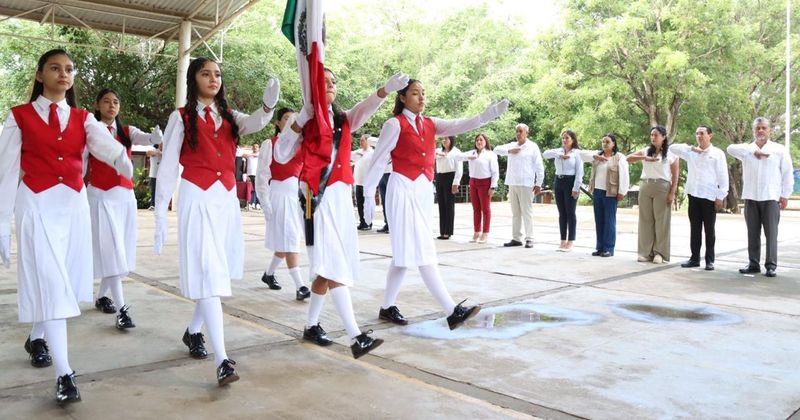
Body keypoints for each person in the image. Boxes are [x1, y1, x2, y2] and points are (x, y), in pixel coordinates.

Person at [0, 49, 133, 404]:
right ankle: (65, 374)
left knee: (61, 283)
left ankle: (37, 336)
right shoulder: (19, 116)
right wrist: (1, 220)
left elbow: (102, 143)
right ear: (40, 75)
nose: (64, 73)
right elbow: (5, 170)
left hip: (72, 206)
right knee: (52, 282)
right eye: (55, 68)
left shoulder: (83, 117)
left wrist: (119, 156)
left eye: (69, 69)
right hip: (37, 205)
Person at [153, 57, 280, 385]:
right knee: (209, 271)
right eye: (206, 73)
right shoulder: (180, 117)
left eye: (218, 74)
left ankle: (193, 330)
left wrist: (268, 105)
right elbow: (167, 166)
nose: (213, 79)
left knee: (217, 274)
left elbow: (254, 123)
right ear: (193, 78)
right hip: (197, 197)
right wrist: (159, 214)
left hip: (225, 200)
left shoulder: (229, 116)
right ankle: (223, 359)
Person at [274, 69, 409, 359]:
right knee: (333, 261)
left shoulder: (343, 119)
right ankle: (355, 336)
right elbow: (281, 154)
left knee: (328, 264)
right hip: (314, 196)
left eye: (333, 82)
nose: (331, 86)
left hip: (339, 195)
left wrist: (385, 89)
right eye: (324, 82)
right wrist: (301, 119)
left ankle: (311, 325)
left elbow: (365, 106)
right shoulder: (304, 121)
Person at [363, 79, 507, 327]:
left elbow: (460, 124)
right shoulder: (393, 124)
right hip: (402, 188)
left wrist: (487, 115)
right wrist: (367, 197)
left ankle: (387, 307)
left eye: (423, 93)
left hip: (421, 190)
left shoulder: (430, 123)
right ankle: (452, 310)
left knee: (404, 255)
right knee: (420, 251)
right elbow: (378, 160)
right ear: (402, 98)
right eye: (415, 93)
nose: (421, 98)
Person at [88, 88, 163, 329]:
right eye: (106, 101)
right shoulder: (90, 129)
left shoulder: (127, 131)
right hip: (100, 194)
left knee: (119, 249)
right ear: (97, 105)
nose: (112, 105)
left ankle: (101, 296)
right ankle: (122, 309)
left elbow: (148, 139)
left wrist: (155, 136)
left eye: (116, 102)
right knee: (112, 251)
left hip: (124, 197)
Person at [254, 107, 311, 300]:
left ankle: (268, 275)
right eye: (286, 118)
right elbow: (262, 176)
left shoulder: (301, 145)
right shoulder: (270, 144)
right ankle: (300, 285)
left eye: (293, 118)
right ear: (278, 123)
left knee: (284, 240)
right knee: (291, 240)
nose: (290, 121)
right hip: (277, 196)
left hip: (293, 197)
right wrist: (265, 203)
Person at [727, 117, 794, 277]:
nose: (761, 131)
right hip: (751, 196)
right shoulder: (746, 150)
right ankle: (753, 263)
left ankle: (771, 265)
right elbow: (730, 148)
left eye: (764, 128)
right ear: (753, 131)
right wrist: (753, 151)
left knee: (771, 233)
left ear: (770, 130)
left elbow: (787, 173)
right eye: (758, 128)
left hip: (771, 197)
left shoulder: (779, 150)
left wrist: (785, 195)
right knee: (752, 233)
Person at [671, 125, 728, 271]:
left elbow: (723, 176)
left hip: (709, 196)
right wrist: (691, 148)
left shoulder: (717, 153)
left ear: (710, 135)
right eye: (697, 133)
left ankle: (710, 260)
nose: (699, 136)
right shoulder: (691, 153)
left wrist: (720, 195)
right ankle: (694, 258)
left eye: (702, 133)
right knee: (694, 229)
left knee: (709, 230)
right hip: (694, 195)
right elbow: (672, 148)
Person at [627, 125, 679, 264]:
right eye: (651, 135)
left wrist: (672, 193)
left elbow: (675, 176)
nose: (653, 137)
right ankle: (645, 252)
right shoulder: (646, 151)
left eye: (656, 135)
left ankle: (660, 253)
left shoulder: (671, 154)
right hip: (645, 185)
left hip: (662, 186)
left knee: (661, 221)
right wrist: (645, 157)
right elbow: (628, 158)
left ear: (663, 137)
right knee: (645, 220)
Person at [494, 123, 544, 248]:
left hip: (526, 183)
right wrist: (510, 151)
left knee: (527, 212)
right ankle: (516, 238)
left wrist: (538, 183)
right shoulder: (512, 145)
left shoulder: (532, 147)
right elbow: (496, 149)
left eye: (521, 131)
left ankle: (530, 238)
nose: (518, 133)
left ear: (526, 133)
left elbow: (539, 166)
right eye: (517, 131)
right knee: (515, 213)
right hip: (512, 182)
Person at [581, 133, 629, 257]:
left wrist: (622, 191)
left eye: (607, 142)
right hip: (597, 191)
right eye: (603, 141)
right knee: (599, 220)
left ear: (613, 144)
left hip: (611, 193)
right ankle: (600, 247)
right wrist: (595, 156)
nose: (605, 144)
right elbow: (580, 155)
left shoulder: (619, 157)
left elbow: (624, 175)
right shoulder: (598, 155)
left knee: (609, 221)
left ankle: (609, 248)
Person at [542, 130, 584, 252]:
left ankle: (570, 241)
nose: (564, 140)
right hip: (558, 181)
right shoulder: (558, 151)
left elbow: (579, 172)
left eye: (567, 138)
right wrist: (558, 155)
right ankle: (562, 240)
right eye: (563, 138)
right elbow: (545, 154)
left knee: (570, 212)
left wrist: (576, 188)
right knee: (562, 213)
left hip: (570, 181)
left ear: (573, 140)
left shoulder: (577, 153)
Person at [454, 133, 499, 243]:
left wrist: (493, 186)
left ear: (485, 141)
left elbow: (495, 172)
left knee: (486, 209)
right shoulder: (472, 153)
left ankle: (485, 233)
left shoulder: (490, 154)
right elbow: (457, 157)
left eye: (481, 140)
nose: (479, 142)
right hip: (473, 182)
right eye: (477, 140)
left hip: (485, 182)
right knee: (476, 209)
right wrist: (468, 157)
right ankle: (477, 231)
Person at [434, 136, 464, 240]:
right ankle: (442, 231)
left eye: (446, 139)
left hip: (450, 177)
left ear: (451, 140)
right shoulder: (438, 151)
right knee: (441, 205)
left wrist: (456, 183)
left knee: (449, 205)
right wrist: (439, 154)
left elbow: (459, 169)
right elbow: (430, 154)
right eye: (442, 139)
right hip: (439, 176)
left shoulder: (456, 152)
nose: (444, 141)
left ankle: (448, 231)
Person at [352, 133, 375, 230]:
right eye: (360, 140)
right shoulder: (358, 152)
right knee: (360, 203)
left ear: (368, 141)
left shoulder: (372, 153)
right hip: (358, 181)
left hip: (367, 183)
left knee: (368, 203)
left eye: (362, 140)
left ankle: (368, 222)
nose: (360, 142)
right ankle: (362, 222)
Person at [376, 161, 392, 233]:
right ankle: (387, 224)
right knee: (384, 201)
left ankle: (392, 225)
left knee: (390, 202)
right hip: (381, 173)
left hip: (390, 172)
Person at [244, 143, 260, 210]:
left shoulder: (260, 155)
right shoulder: (249, 156)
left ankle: (257, 204)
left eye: (256, 146)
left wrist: (249, 155)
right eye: (254, 146)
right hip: (250, 174)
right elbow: (243, 155)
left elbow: (256, 155)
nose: (255, 148)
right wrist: (247, 175)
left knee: (257, 189)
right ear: (252, 148)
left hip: (257, 174)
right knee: (251, 189)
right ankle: (251, 203)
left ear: (259, 148)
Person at [146, 144, 161, 210]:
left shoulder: (165, 151)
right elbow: (148, 153)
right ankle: (152, 205)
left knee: (161, 190)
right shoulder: (153, 150)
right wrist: (158, 152)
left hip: (162, 175)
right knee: (153, 190)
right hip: (153, 174)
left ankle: (159, 205)